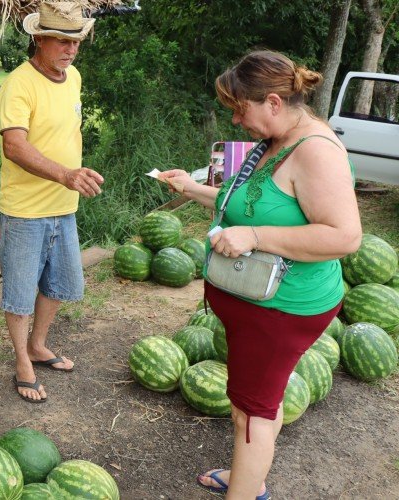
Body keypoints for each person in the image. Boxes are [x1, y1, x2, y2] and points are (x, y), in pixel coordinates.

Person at [160, 50, 362, 499]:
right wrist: (192, 188)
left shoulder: (315, 152)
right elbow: (253, 203)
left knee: (251, 413)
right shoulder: (277, 139)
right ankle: (247, 477)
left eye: (240, 110)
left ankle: (246, 491)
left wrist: (254, 235)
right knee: (252, 406)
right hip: (256, 308)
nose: (236, 122)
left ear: (272, 102)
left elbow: (346, 237)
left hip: (282, 310)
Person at [0, 1, 105, 403]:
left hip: (64, 204)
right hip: (25, 209)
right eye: (61, 40)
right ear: (38, 38)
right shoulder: (18, 84)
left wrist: (73, 176)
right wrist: (65, 174)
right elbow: (15, 145)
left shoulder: (72, 77)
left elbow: (60, 135)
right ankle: (22, 361)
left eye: (75, 41)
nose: (70, 49)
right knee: (20, 294)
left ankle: (38, 346)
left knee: (62, 284)